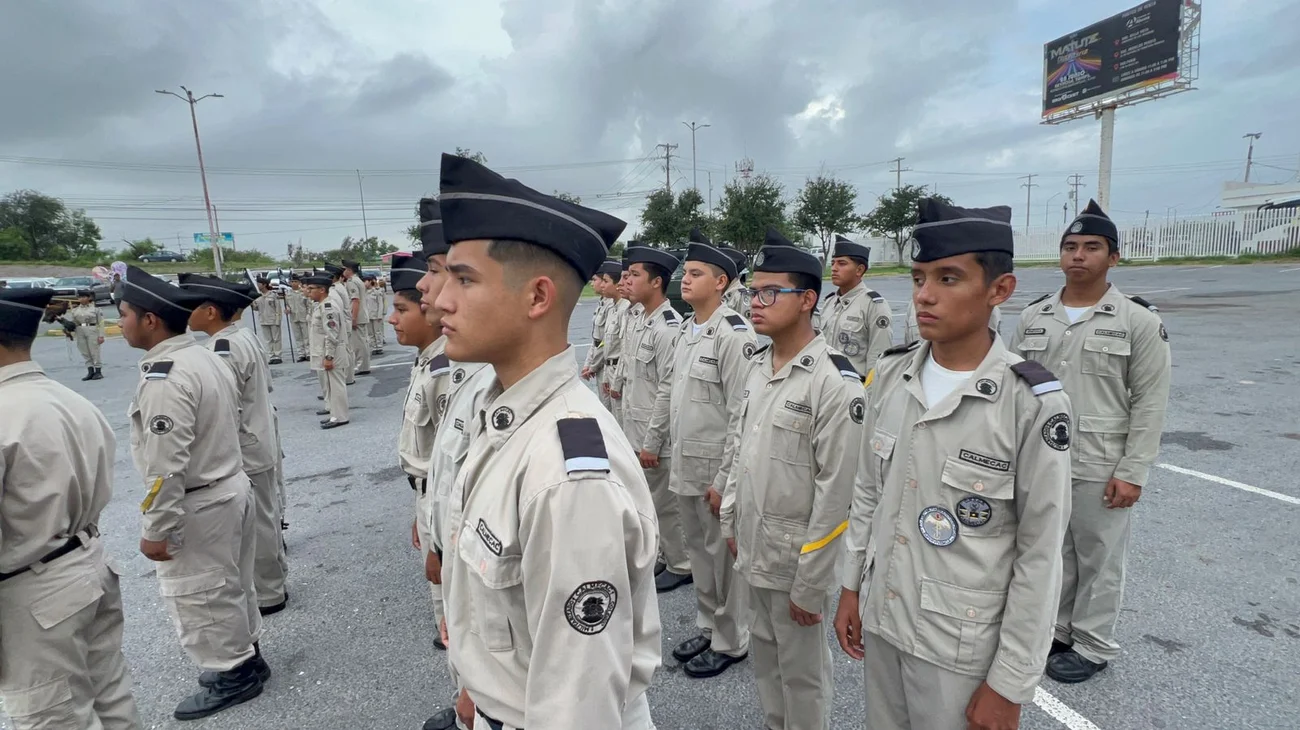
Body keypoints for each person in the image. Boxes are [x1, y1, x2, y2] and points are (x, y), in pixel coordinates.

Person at [435, 152, 661, 729]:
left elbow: (579, 703)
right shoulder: (504, 412)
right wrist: (477, 683)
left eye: (464, 279)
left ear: (537, 298)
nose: (440, 299)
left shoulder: (567, 472)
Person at [835, 199, 1071, 730]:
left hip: (962, 649)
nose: (925, 295)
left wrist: (1010, 682)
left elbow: (1041, 551)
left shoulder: (1029, 403)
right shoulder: (891, 379)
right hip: (886, 616)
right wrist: (850, 587)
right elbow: (868, 495)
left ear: (999, 290)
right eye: (919, 278)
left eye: (948, 278)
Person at [1011, 199, 1172, 685]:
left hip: (1100, 461)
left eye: (1092, 247)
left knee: (1098, 555)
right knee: (1051, 548)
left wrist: (1133, 470)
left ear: (1114, 257)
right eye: (1070, 246)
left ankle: (1095, 643)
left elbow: (1150, 400)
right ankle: (1060, 630)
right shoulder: (1035, 316)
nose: (1078, 255)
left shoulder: (1136, 320)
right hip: (1043, 456)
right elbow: (1017, 390)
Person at [722, 228, 861, 730]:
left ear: (807, 300)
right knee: (765, 658)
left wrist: (812, 582)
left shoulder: (833, 383)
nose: (754, 303)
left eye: (768, 293)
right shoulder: (761, 366)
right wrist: (730, 522)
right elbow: (741, 449)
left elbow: (837, 494)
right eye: (751, 292)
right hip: (755, 545)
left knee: (802, 673)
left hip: (795, 558)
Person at [117, 265, 267, 721]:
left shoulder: (168, 376)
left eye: (123, 313)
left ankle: (233, 671)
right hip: (228, 485)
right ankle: (246, 655)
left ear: (149, 320)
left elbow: (165, 466)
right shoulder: (202, 356)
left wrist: (157, 527)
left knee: (201, 593)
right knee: (232, 584)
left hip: (200, 501)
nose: (118, 321)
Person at [0, 286, 142, 729]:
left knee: (52, 715)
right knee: (111, 697)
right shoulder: (68, 399)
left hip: (32, 588)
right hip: (87, 560)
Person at [667, 241, 756, 679]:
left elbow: (743, 412)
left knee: (723, 561)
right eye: (686, 271)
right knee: (700, 556)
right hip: (686, 465)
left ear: (721, 283)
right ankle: (708, 626)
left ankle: (732, 640)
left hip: (714, 471)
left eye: (697, 273)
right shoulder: (688, 329)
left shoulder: (734, 335)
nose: (685, 278)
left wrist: (726, 479)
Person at [181, 273, 290, 616]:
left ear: (211, 312)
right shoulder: (242, 336)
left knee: (257, 522)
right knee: (266, 515)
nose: (187, 314)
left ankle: (270, 592)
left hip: (246, 444)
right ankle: (275, 580)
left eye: (193, 307)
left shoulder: (221, 349)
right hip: (260, 436)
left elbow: (224, 407)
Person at [623, 245, 693, 593]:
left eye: (635, 275)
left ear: (656, 282)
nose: (628, 281)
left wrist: (652, 441)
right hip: (637, 428)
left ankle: (681, 563)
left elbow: (667, 391)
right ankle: (667, 553)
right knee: (652, 500)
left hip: (656, 436)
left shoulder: (668, 328)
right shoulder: (641, 320)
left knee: (666, 504)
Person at [820, 235, 892, 375]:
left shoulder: (873, 305)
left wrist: (869, 394)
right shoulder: (830, 302)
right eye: (833, 262)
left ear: (859, 270)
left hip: (856, 388)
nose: (834, 268)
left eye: (841, 263)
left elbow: (879, 357)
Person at [303, 271, 350, 429]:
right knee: (331, 385)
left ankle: (340, 416)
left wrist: (329, 356)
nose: (308, 292)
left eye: (311, 288)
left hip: (333, 352)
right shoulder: (322, 305)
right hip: (328, 351)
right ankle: (335, 414)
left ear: (322, 290)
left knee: (336, 386)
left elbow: (332, 334)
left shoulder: (328, 307)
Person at [580, 259, 623, 411]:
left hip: (612, 367)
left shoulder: (618, 307)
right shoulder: (606, 304)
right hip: (605, 368)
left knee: (615, 415)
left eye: (602, 280)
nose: (594, 284)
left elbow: (605, 342)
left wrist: (593, 366)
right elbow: (597, 340)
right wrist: (589, 364)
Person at [323, 264, 356, 384]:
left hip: (343, 322)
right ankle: (349, 377)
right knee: (347, 350)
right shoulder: (339, 287)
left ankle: (347, 377)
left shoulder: (336, 289)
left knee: (345, 351)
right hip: (344, 321)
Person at [66, 288, 107, 380]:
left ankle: (98, 371)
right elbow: (74, 323)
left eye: (84, 297)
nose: (82, 299)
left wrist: (101, 335)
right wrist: (68, 329)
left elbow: (101, 323)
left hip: (91, 329)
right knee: (84, 351)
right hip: (80, 330)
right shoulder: (75, 310)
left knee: (94, 351)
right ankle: (90, 371)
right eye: (80, 297)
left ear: (89, 298)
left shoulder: (96, 309)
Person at [342, 260, 372, 376]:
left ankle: (362, 366)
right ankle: (364, 365)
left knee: (359, 343)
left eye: (345, 269)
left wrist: (353, 318)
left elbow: (355, 300)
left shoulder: (352, 282)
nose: (344, 271)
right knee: (362, 341)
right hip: (361, 314)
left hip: (357, 315)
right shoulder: (357, 280)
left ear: (349, 270)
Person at [253, 278, 284, 365]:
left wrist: (278, 320)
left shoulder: (273, 295)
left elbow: (278, 308)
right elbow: (256, 308)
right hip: (263, 320)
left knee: (276, 338)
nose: (258, 286)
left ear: (264, 284)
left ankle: (278, 355)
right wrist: (252, 302)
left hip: (273, 320)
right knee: (268, 340)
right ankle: (271, 356)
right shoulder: (258, 296)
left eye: (259, 284)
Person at [286, 275, 310, 362]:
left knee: (306, 336)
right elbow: (287, 304)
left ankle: (308, 353)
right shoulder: (288, 293)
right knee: (298, 337)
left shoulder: (303, 292)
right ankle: (301, 354)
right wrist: (287, 309)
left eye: (295, 281)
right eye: (292, 282)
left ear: (299, 283)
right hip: (294, 317)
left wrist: (309, 315)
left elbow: (308, 305)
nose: (293, 283)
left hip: (304, 316)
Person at [367, 274, 386, 355]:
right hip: (368, 315)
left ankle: (379, 346)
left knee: (377, 332)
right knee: (370, 333)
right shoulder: (364, 292)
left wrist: (380, 315)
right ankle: (374, 347)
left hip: (376, 315)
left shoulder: (377, 291)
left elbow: (381, 303)